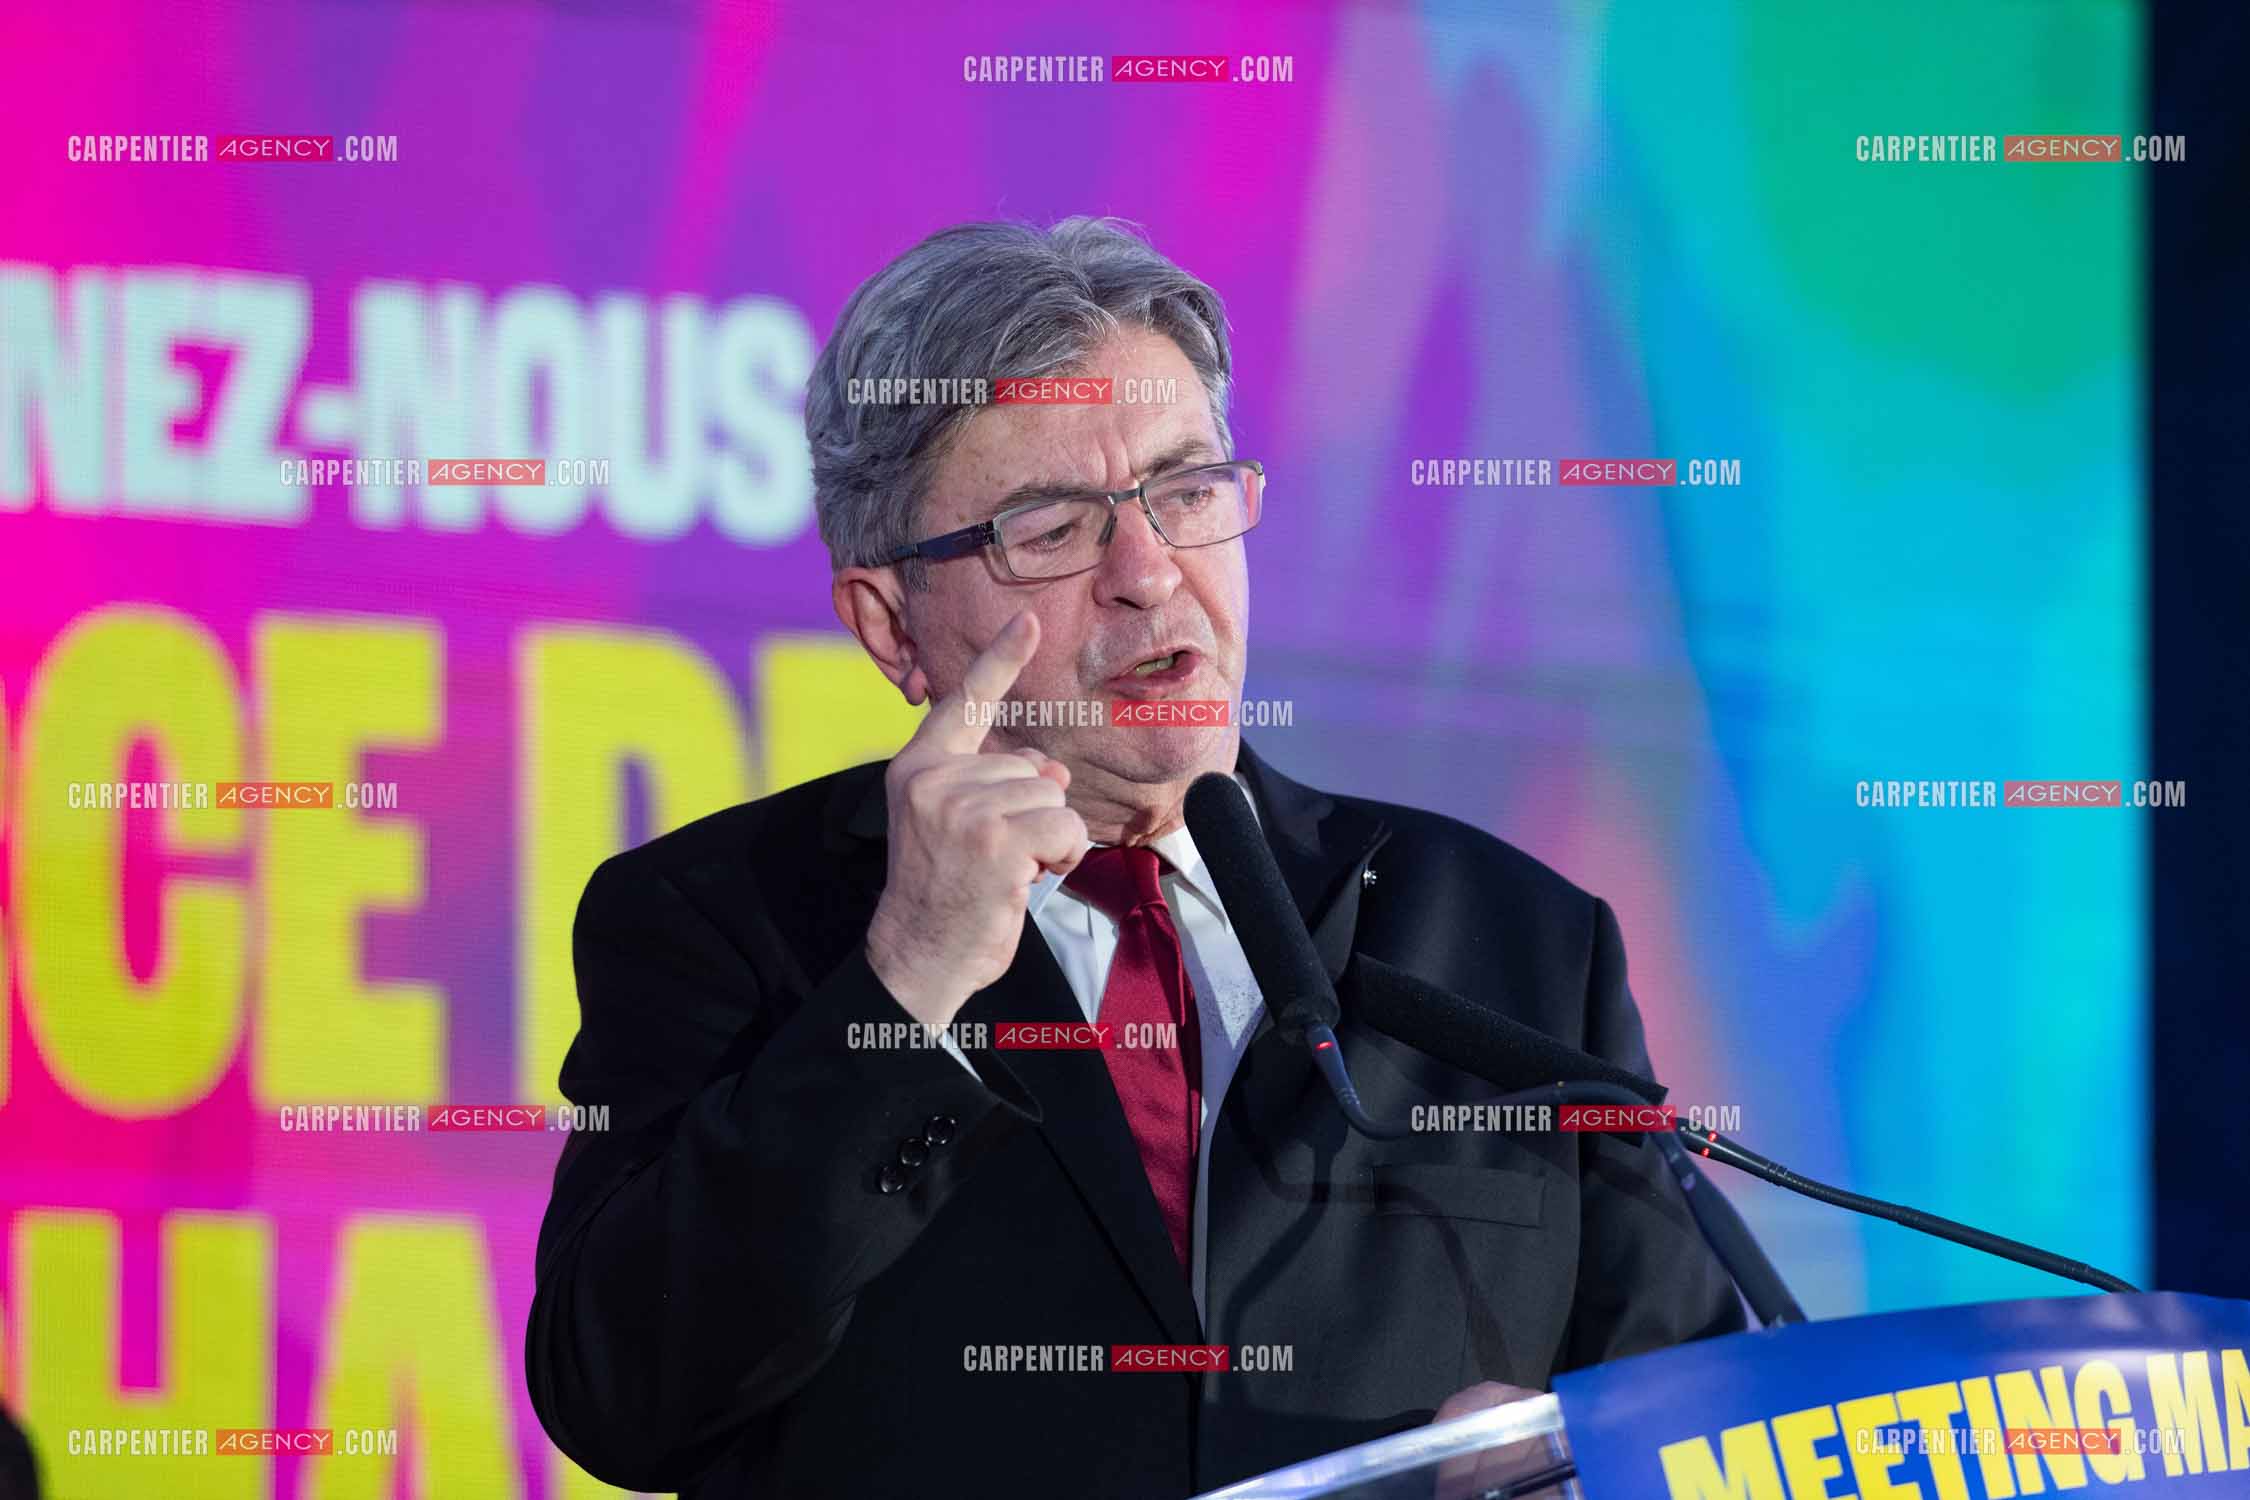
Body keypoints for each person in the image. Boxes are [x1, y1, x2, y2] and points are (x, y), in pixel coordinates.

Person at [525, 217, 1743, 1499]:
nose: (1150, 573)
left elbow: (1703, 1420)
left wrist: (1589, 1469)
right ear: (893, 625)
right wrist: (905, 981)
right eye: (1049, 526)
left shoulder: (1517, 941)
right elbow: (623, 1398)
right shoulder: (724, 920)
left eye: (1186, 488)